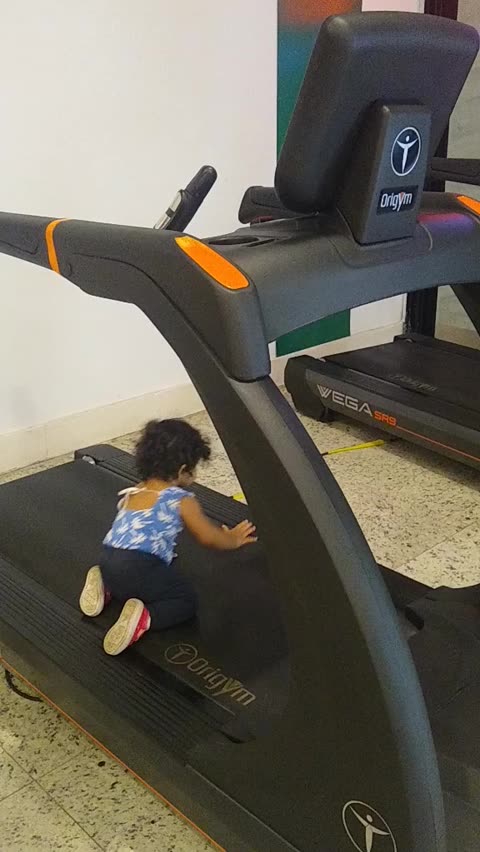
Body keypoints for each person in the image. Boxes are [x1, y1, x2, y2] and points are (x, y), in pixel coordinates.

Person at [79, 418, 256, 655]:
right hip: (138, 567)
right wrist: (232, 539)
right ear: (182, 470)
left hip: (108, 558)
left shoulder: (137, 489)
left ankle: (105, 583)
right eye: (193, 468)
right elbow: (208, 538)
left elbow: (139, 532)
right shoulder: (180, 499)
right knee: (185, 600)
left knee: (132, 574)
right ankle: (145, 617)